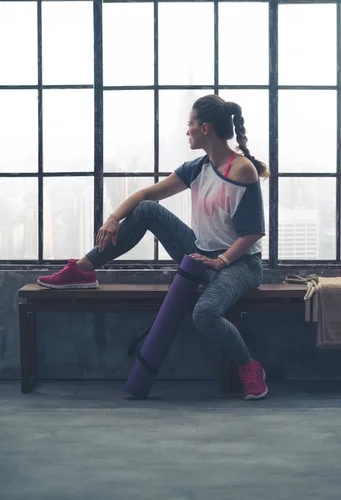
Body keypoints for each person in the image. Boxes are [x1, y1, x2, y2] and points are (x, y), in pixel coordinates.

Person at [38, 94, 270, 400]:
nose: (186, 130)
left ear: (205, 128)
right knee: (147, 210)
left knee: (205, 313)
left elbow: (253, 232)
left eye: (190, 124)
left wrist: (223, 261)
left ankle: (250, 368)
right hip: (200, 255)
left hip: (239, 264)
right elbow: (147, 194)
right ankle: (83, 269)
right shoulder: (196, 167)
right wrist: (113, 218)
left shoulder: (241, 170)